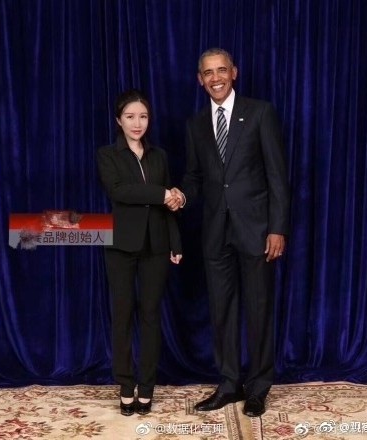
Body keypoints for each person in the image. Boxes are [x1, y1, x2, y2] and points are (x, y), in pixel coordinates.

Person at [168, 48, 290, 417]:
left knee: (258, 309)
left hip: (256, 230)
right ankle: (229, 384)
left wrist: (277, 228)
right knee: (222, 311)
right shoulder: (195, 125)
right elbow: (195, 177)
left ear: (233, 72)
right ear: (200, 79)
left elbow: (277, 176)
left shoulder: (260, 113)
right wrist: (181, 195)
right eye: (208, 72)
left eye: (221, 70)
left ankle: (258, 387)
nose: (216, 78)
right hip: (215, 233)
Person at [97, 89, 182, 416]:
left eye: (143, 116)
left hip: (156, 246)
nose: (137, 123)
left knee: (150, 316)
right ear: (119, 120)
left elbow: (169, 207)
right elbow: (120, 191)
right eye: (130, 116)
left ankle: (146, 387)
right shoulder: (107, 154)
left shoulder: (159, 156)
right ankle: (125, 385)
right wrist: (163, 193)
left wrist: (175, 243)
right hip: (120, 245)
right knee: (122, 316)